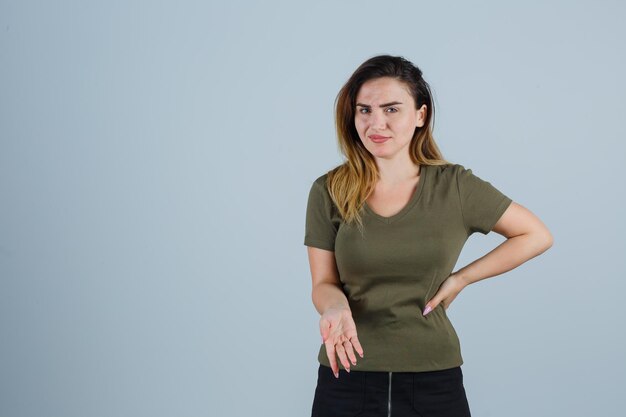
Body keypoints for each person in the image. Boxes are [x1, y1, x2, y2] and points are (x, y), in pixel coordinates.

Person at [303, 54, 553, 417]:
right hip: (346, 377)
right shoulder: (329, 190)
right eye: (364, 110)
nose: (376, 123)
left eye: (391, 109)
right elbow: (323, 282)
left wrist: (462, 279)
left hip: (433, 379)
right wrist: (335, 306)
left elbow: (535, 234)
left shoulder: (454, 187)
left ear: (420, 115)